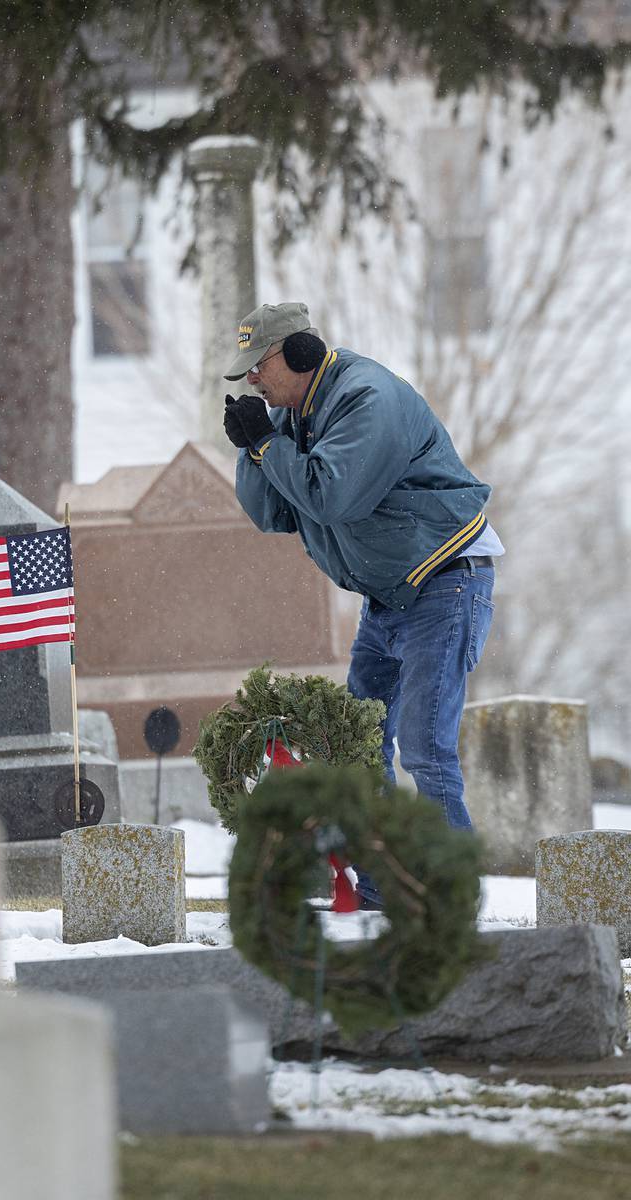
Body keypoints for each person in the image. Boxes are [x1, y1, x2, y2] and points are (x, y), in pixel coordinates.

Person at [223, 301, 503, 909]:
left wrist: (270, 448)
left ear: (298, 354)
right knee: (358, 742)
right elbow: (273, 514)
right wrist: (252, 448)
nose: (251, 380)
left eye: (258, 365)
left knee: (423, 745)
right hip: (390, 595)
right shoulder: (295, 414)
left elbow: (332, 497)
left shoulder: (365, 399)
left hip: (445, 579)